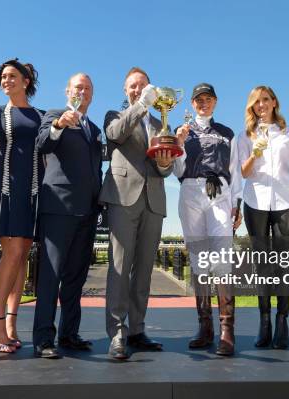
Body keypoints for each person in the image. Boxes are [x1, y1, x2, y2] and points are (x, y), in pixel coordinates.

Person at [100, 67, 176, 360]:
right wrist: (141, 105)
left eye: (142, 85)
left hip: (153, 201)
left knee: (143, 270)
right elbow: (115, 135)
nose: (138, 89)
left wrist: (166, 163)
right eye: (133, 86)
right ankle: (117, 333)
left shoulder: (161, 123)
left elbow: (162, 167)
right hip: (123, 198)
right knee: (119, 268)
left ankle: (137, 330)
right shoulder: (114, 116)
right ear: (126, 91)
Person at [32, 73, 102, 359]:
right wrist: (60, 125)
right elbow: (42, 144)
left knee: (75, 277)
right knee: (51, 276)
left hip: (88, 211)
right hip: (58, 207)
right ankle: (43, 339)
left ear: (92, 94)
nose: (82, 91)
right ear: (67, 91)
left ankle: (69, 334)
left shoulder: (94, 128)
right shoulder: (54, 114)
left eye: (87, 88)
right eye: (77, 87)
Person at [0, 59, 43, 353]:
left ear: (26, 81)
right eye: (3, 76)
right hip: (7, 184)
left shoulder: (42, 115)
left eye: (12, 76)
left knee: (23, 255)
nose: (6, 80)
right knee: (12, 252)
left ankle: (13, 322)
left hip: (35, 189)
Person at [173, 83, 243, 356]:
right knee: (198, 259)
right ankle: (205, 327)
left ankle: (227, 329)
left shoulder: (227, 133)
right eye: (199, 99)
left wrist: (237, 204)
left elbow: (235, 171)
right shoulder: (183, 131)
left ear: (215, 102)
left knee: (222, 258)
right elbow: (176, 170)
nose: (203, 103)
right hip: (190, 190)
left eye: (208, 99)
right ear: (192, 104)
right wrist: (178, 142)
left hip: (220, 192)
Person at [238, 85, 289, 349]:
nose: (262, 104)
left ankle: (282, 321)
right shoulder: (244, 135)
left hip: (284, 203)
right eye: (257, 101)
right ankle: (264, 322)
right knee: (262, 266)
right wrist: (254, 154)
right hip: (254, 202)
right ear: (252, 106)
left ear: (274, 102)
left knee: (282, 265)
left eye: (266, 99)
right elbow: (243, 173)